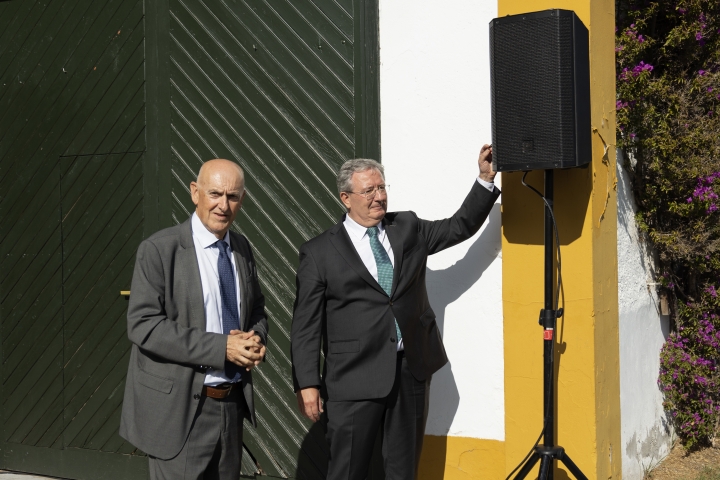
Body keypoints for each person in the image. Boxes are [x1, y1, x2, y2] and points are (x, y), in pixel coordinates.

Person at [291, 144, 499, 479]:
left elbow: (457, 227)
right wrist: (307, 383)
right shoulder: (319, 253)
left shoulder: (408, 228)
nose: (378, 197)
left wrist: (485, 179)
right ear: (346, 198)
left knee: (403, 472)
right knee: (347, 471)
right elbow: (305, 326)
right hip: (353, 379)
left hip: (409, 372)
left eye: (382, 187)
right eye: (368, 190)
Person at [119, 159, 268, 480]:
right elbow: (143, 325)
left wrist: (256, 339)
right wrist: (222, 348)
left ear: (242, 200)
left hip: (231, 406)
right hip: (180, 412)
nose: (223, 205)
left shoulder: (241, 247)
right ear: (194, 192)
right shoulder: (160, 250)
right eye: (215, 194)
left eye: (233, 197)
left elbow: (256, 308)